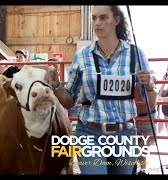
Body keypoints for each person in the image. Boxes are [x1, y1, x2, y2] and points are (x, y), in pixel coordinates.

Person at [46, 6, 157, 174]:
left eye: (104, 18)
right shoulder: (82, 55)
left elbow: (149, 104)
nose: (97, 23)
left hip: (124, 134)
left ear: (117, 20)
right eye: (94, 18)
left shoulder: (135, 54)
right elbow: (69, 101)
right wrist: (57, 86)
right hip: (90, 133)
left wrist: (148, 85)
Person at [158, 66, 168, 134]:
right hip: (165, 115)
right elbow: (159, 96)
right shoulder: (166, 89)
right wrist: (163, 82)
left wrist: (160, 98)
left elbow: (159, 98)